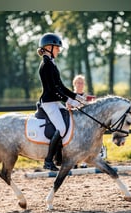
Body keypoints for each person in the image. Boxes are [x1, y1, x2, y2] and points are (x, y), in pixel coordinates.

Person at [37, 33, 85, 171]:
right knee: (62, 128)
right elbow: (52, 90)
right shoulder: (46, 65)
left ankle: (60, 157)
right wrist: (69, 100)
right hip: (48, 102)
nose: (58, 50)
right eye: (57, 48)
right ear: (48, 47)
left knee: (69, 122)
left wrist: (76, 96)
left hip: (55, 101)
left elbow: (61, 86)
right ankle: (48, 160)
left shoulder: (52, 63)